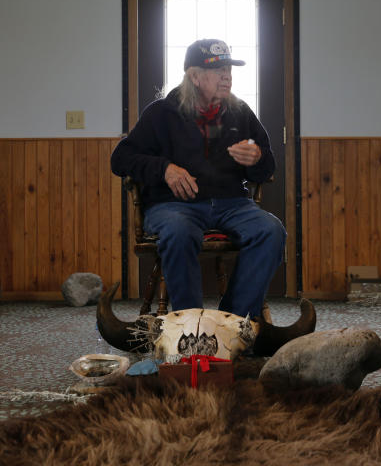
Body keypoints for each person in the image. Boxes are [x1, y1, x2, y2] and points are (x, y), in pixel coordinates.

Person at [111, 39, 286, 319]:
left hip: (232, 204)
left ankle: (231, 322)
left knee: (271, 231)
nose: (227, 75)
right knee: (179, 232)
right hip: (174, 205)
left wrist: (258, 159)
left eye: (229, 68)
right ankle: (191, 327)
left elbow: (266, 168)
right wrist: (164, 168)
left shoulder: (240, 113)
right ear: (194, 76)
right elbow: (120, 159)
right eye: (218, 69)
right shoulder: (161, 113)